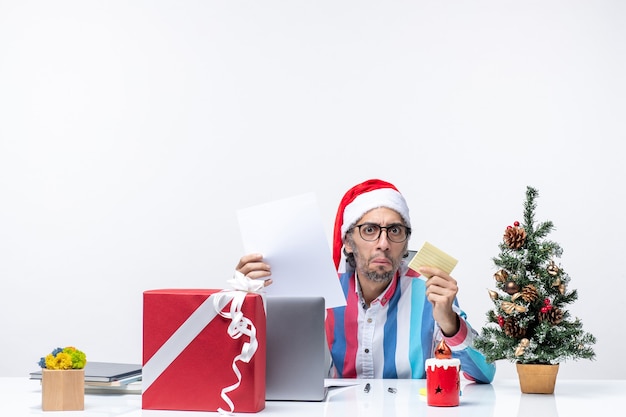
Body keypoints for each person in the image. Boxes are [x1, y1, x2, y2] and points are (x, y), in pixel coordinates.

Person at [236, 179, 495, 383]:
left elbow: (485, 374)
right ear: (348, 242)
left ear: (405, 244)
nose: (383, 244)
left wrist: (449, 321)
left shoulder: (429, 290)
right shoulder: (322, 291)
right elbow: (270, 365)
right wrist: (245, 301)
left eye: (394, 231)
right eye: (369, 230)